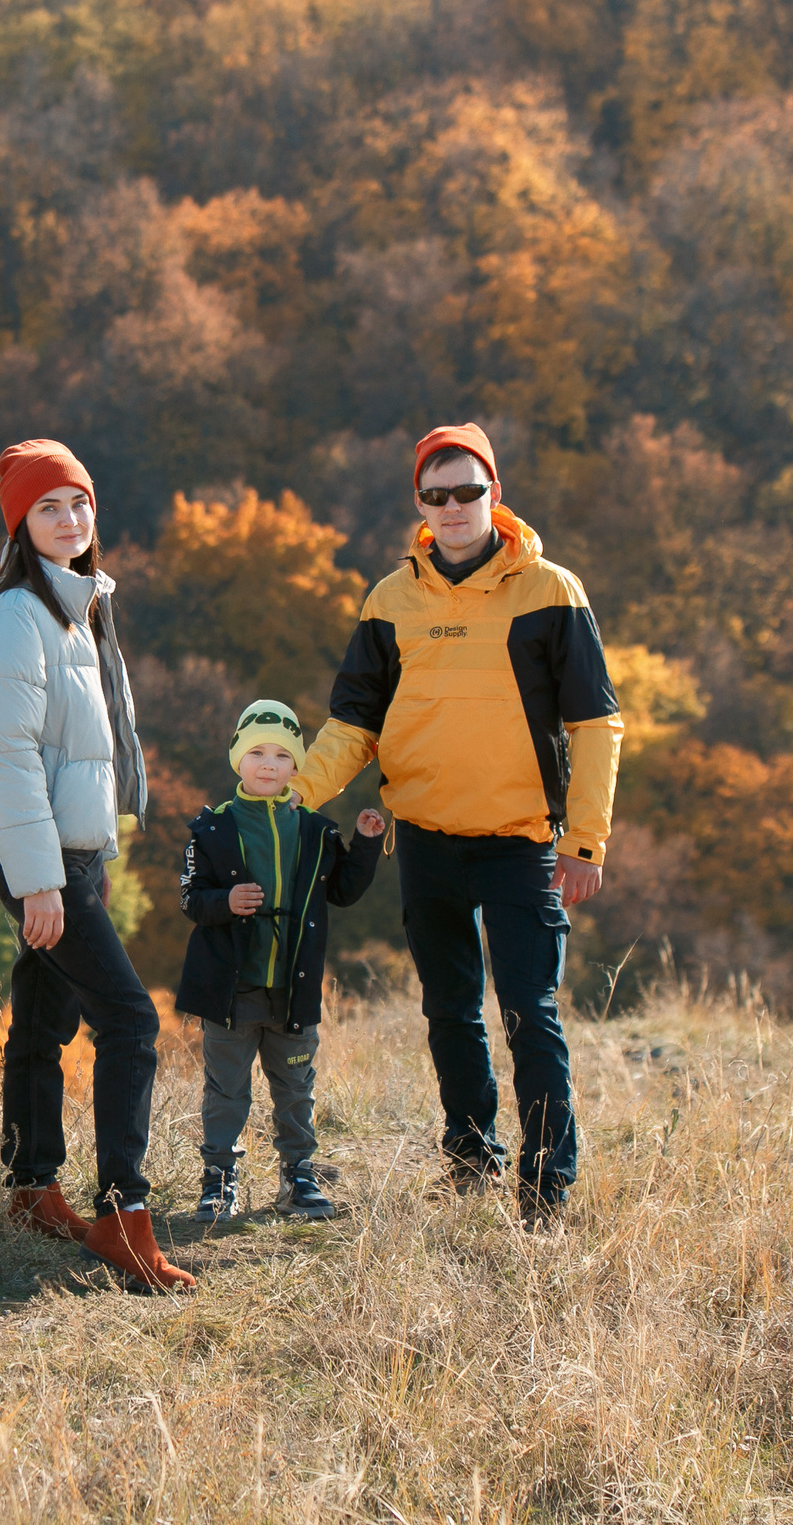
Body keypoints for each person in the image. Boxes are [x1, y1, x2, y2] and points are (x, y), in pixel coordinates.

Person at [291, 423, 622, 1224]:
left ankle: (546, 1195)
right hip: (428, 844)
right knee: (449, 1012)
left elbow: (596, 725)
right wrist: (288, 801)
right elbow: (354, 726)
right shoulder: (391, 600)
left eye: (467, 492)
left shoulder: (550, 591)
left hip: (522, 846)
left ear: (495, 496)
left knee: (528, 1016)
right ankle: (471, 1163)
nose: (453, 508)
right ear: (420, 505)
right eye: (435, 496)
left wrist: (584, 842)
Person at [0, 438, 195, 1293]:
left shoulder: (74, 606)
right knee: (131, 1022)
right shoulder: (12, 617)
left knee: (44, 1020)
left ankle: (33, 1190)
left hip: (71, 850)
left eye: (78, 502)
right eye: (49, 507)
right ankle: (122, 1217)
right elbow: (4, 757)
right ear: (19, 524)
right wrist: (40, 878)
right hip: (41, 857)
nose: (70, 518)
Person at [174, 699, 385, 1225]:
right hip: (232, 990)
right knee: (226, 1092)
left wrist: (364, 845)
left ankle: (300, 1176)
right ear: (237, 760)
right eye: (257, 753)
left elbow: (342, 892)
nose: (268, 764)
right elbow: (190, 899)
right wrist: (225, 903)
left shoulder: (315, 830)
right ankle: (219, 1181)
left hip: (293, 987)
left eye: (281, 755)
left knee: (295, 1089)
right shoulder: (212, 828)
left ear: (297, 766)